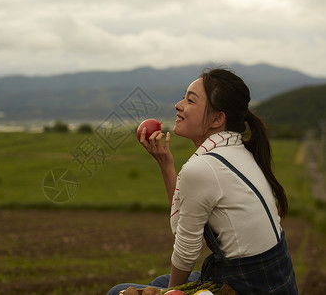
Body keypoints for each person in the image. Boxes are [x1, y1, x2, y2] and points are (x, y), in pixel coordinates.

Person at [107, 68, 297, 295]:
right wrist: (167, 166)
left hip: (248, 287)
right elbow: (186, 219)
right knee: (160, 280)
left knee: (117, 291)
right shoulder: (240, 151)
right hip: (275, 282)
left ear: (217, 119)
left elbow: (186, 251)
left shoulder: (203, 167)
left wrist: (170, 293)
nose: (178, 105)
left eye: (190, 100)